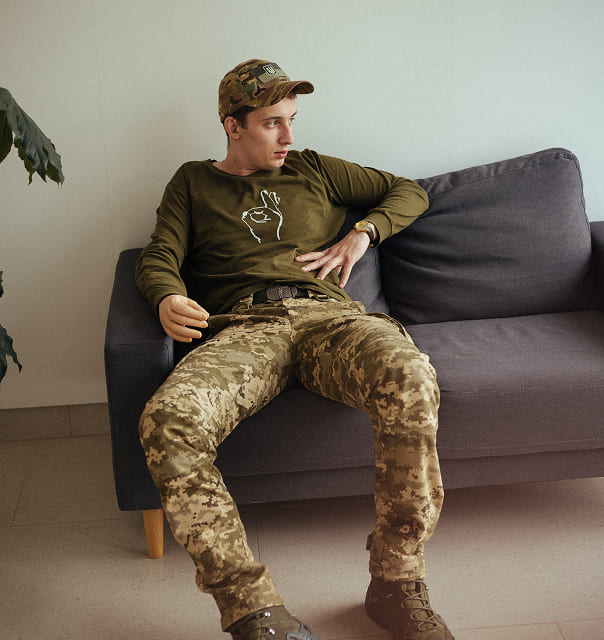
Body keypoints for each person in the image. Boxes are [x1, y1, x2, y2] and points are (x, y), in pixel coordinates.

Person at [136, 58, 454, 640]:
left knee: (410, 375)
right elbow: (159, 253)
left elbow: (408, 191)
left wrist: (363, 232)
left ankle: (396, 582)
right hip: (245, 328)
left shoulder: (313, 168)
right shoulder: (192, 182)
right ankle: (252, 611)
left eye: (292, 120)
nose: (288, 136)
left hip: (329, 318)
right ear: (233, 126)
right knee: (169, 419)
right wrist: (165, 295)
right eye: (271, 123)